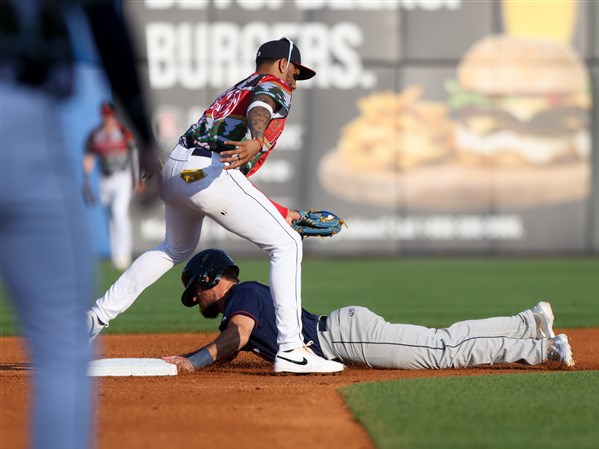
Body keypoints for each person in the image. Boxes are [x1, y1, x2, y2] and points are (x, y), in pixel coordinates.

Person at [87, 38, 343, 374]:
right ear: (283, 64)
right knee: (287, 243)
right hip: (207, 169)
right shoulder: (274, 83)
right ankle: (292, 348)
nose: (296, 78)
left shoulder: (238, 87)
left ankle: (94, 318)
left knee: (173, 248)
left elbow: (231, 181)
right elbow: (262, 105)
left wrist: (285, 214)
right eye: (296, 70)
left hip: (181, 167)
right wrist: (255, 137)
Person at [0, 1, 159, 448]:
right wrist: (145, 133)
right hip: (23, 122)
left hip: (39, 135)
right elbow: (107, 24)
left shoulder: (109, 134)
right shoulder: (105, 132)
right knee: (61, 342)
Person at [162, 249, 576, 374]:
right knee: (441, 342)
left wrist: (194, 361)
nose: (194, 300)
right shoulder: (241, 300)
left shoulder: (244, 295)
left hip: (340, 336)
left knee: (440, 349)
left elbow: (239, 336)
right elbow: (234, 342)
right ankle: (530, 321)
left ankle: (542, 347)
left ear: (209, 280)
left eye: (194, 292)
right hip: (341, 333)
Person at [83, 101, 146, 270]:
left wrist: (137, 178)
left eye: (109, 114)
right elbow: (88, 155)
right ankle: (115, 254)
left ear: (113, 115)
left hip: (122, 177)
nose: (107, 117)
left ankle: (124, 255)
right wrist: (86, 179)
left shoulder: (123, 132)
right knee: (111, 215)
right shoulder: (96, 134)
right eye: (105, 114)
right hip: (105, 179)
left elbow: (134, 155)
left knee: (119, 211)